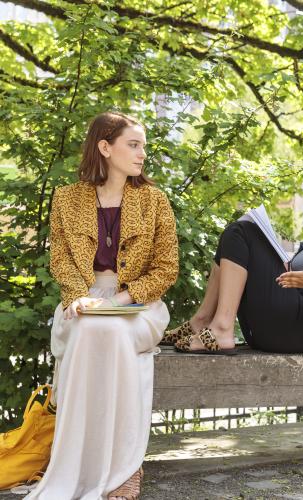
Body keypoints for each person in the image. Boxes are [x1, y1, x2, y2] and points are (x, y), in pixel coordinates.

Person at [28, 112, 179, 499]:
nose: (142, 153)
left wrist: (123, 299)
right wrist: (80, 297)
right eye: (134, 144)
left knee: (109, 328)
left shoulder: (154, 200)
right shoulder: (67, 198)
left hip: (141, 303)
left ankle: (126, 467)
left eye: (143, 145)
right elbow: (61, 259)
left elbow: (166, 269)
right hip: (83, 297)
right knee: (90, 327)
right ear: (105, 147)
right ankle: (77, 463)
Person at [164, 156, 303, 354]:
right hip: (275, 327)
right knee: (236, 233)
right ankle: (203, 320)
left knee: (240, 233)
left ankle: (219, 327)